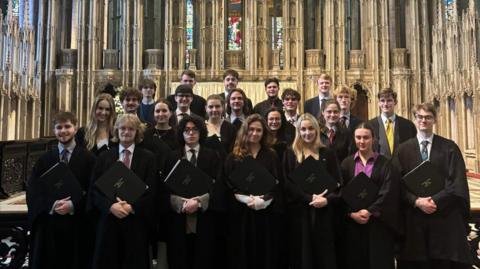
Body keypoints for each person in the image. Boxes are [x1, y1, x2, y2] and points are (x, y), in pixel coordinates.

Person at [396, 103, 472, 269]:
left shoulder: (449, 147)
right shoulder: (403, 150)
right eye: (420, 117)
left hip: (443, 217)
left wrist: (435, 200)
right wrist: (417, 201)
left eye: (428, 117)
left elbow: (457, 181)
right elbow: (397, 185)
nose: (424, 120)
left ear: (435, 120)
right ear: (414, 119)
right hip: (414, 219)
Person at [27, 111, 96, 269]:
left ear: (75, 128)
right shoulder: (44, 159)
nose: (63, 131)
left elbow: (94, 190)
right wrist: (51, 205)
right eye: (59, 127)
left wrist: (73, 205)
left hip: (78, 226)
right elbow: (34, 191)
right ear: (54, 130)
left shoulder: (89, 159)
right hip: (50, 226)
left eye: (67, 126)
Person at [90, 114, 157, 269]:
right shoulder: (104, 157)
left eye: (131, 129)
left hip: (135, 222)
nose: (126, 132)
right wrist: (110, 206)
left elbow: (152, 190)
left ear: (137, 133)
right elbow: (94, 190)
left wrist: (132, 207)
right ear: (116, 130)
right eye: (122, 128)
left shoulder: (148, 158)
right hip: (109, 221)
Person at [224, 114, 284, 269]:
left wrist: (264, 200)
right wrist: (244, 199)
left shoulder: (271, 155)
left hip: (266, 214)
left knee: (265, 254)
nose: (255, 133)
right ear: (244, 131)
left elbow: (278, 183)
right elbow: (227, 184)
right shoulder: (234, 157)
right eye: (251, 129)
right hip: (241, 214)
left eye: (259, 130)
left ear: (264, 133)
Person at [282, 113, 341, 269]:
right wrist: (308, 197)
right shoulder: (291, 154)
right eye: (303, 129)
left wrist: (327, 199)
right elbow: (287, 184)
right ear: (298, 131)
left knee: (323, 256)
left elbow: (338, 183)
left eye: (310, 129)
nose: (307, 133)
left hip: (323, 213)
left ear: (316, 130)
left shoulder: (327, 153)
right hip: (300, 215)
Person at [165, 115, 225, 269]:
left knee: (204, 259)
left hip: (205, 218)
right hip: (178, 219)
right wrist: (181, 203)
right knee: (179, 259)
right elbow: (164, 187)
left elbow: (218, 186)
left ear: (201, 132)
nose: (191, 133)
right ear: (181, 133)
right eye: (186, 130)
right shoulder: (172, 156)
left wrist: (199, 202)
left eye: (194, 130)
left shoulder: (212, 155)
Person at [340, 122, 401, 269]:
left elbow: (388, 192)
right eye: (358, 137)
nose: (362, 141)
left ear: (373, 139)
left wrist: (369, 211)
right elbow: (341, 192)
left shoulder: (385, 164)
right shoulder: (346, 164)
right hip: (353, 225)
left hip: (378, 225)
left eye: (366, 137)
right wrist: (350, 213)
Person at [367, 88, 416, 159]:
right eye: (382, 101)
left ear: (395, 102)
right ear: (378, 103)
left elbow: (413, 149)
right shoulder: (370, 125)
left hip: (402, 168)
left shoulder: (407, 125)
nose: (385, 104)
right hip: (379, 168)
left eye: (389, 100)